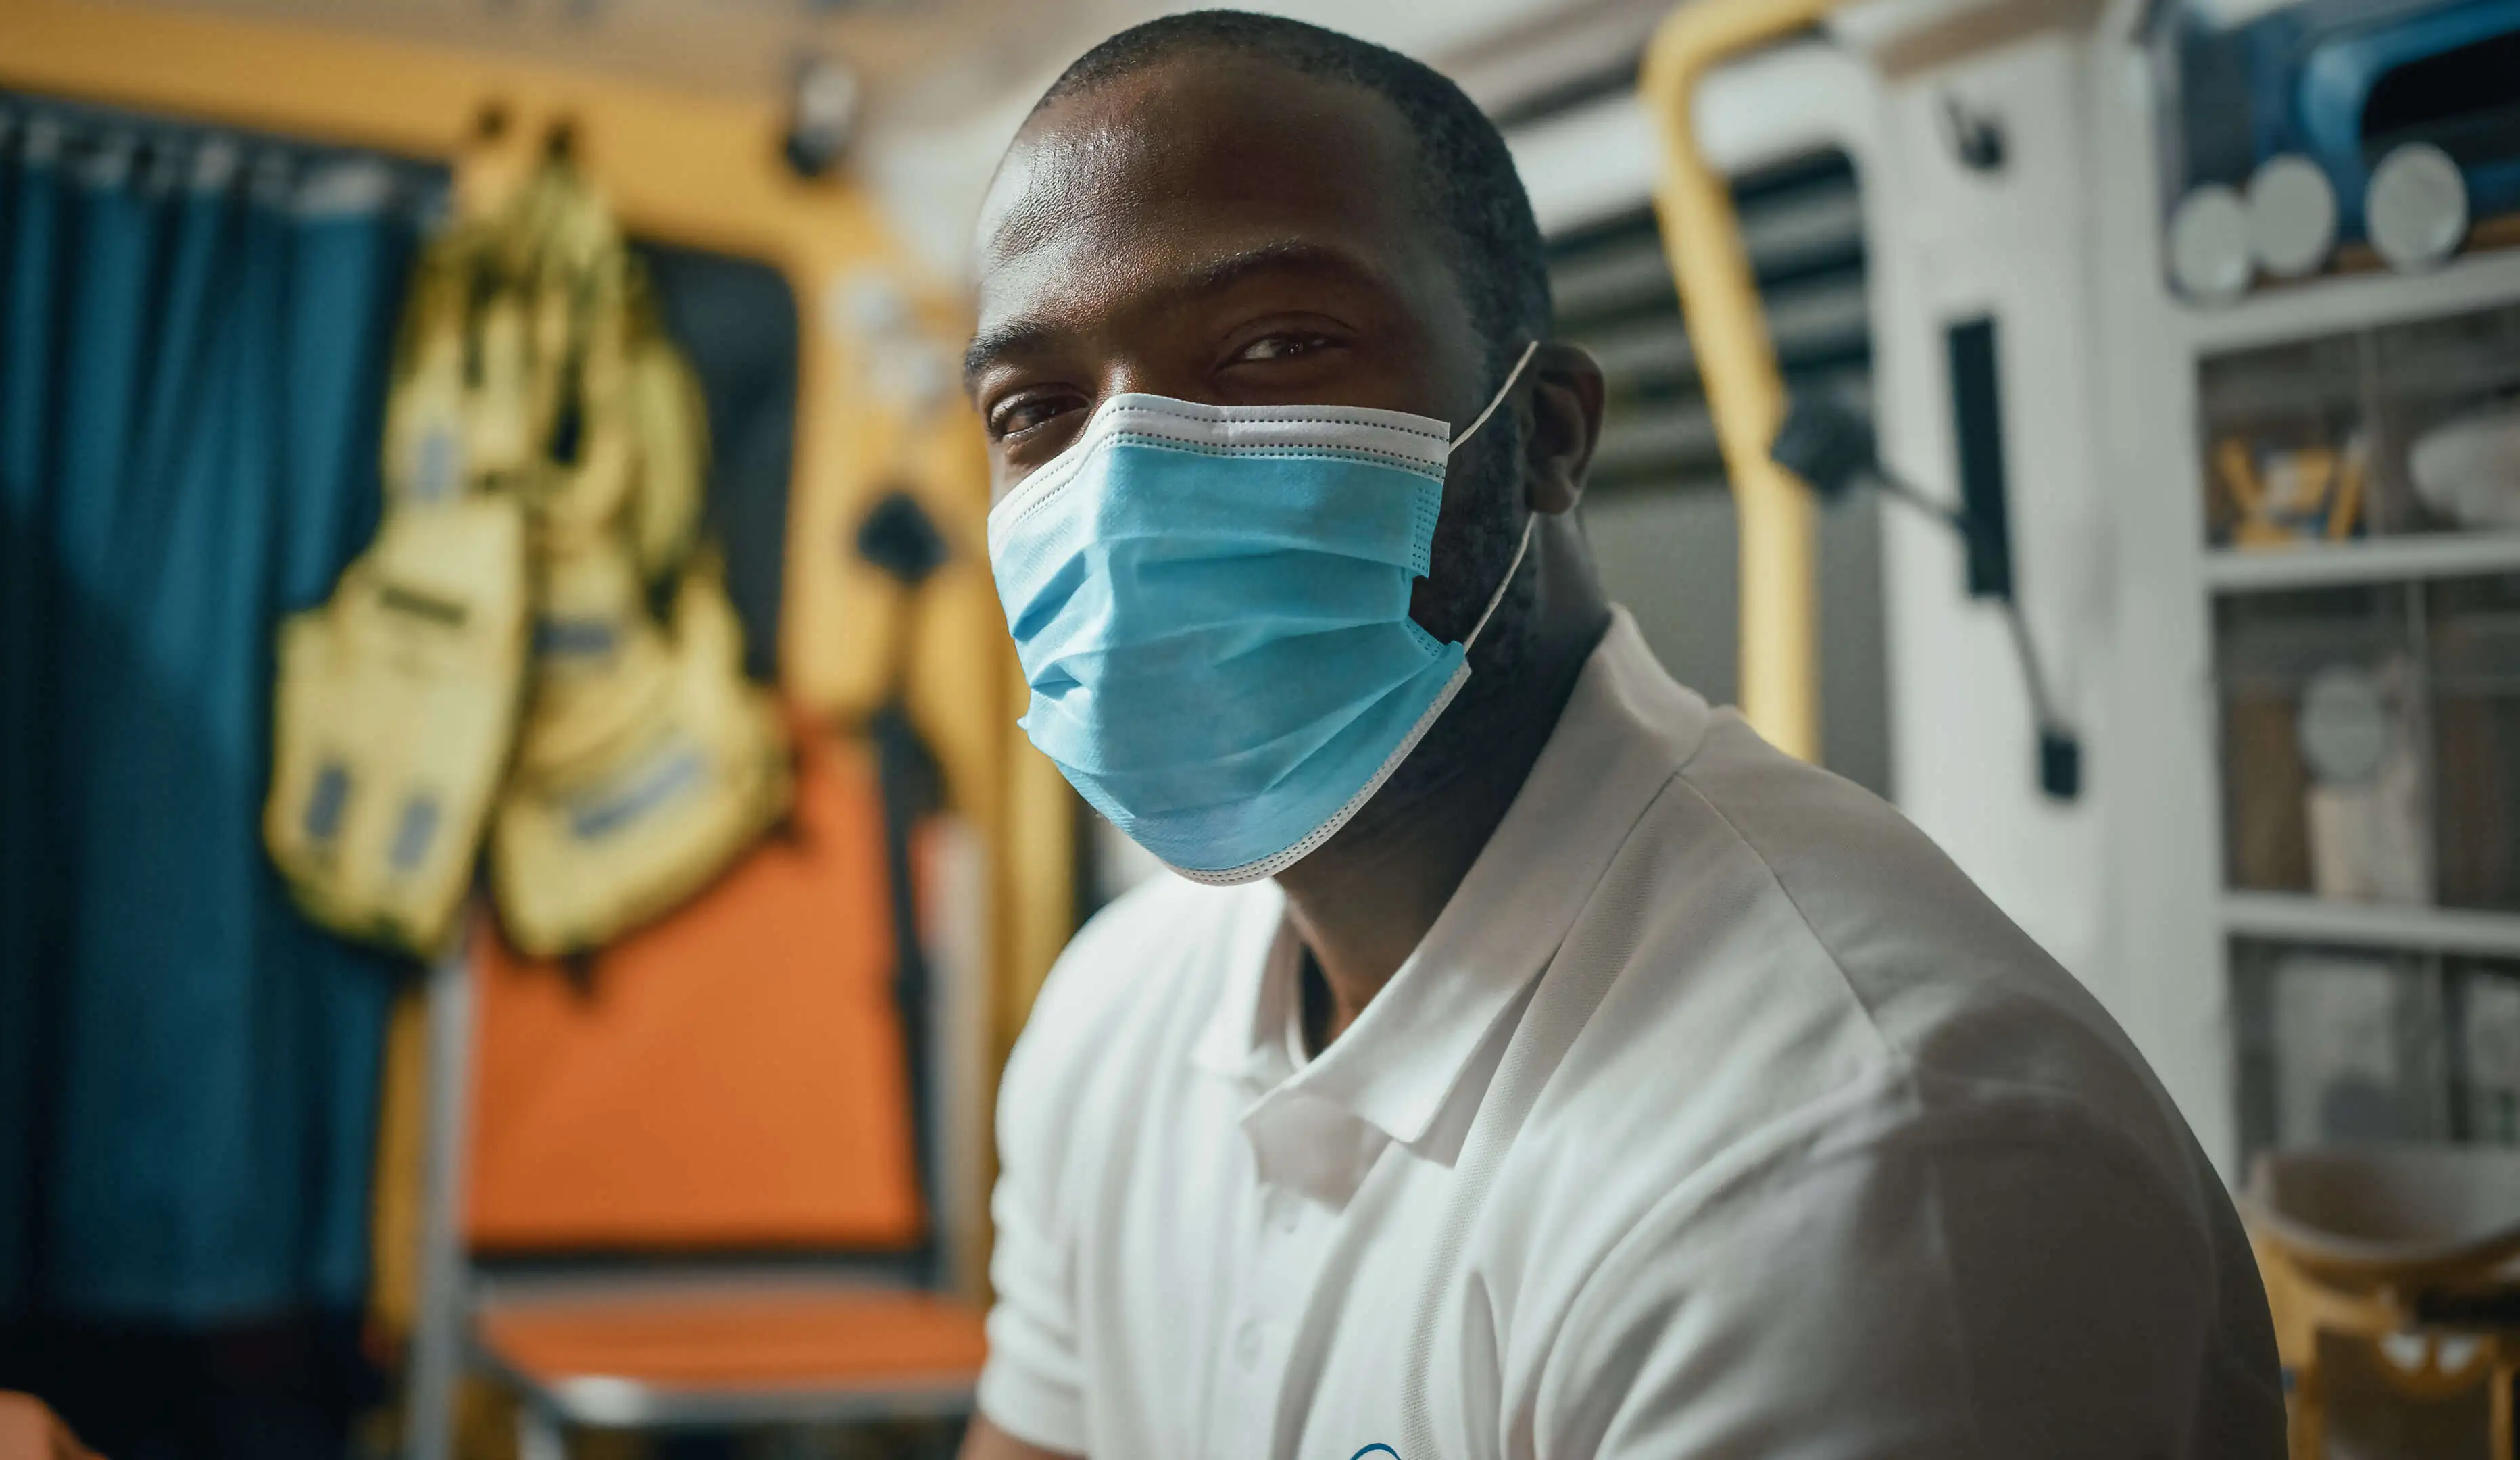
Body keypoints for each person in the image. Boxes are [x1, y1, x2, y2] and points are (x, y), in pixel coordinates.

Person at [958, 13, 2285, 1459]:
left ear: (1545, 437)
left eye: (1278, 343)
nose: (1123, 489)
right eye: (1037, 411)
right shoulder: (1110, 1029)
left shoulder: (1852, 1154)